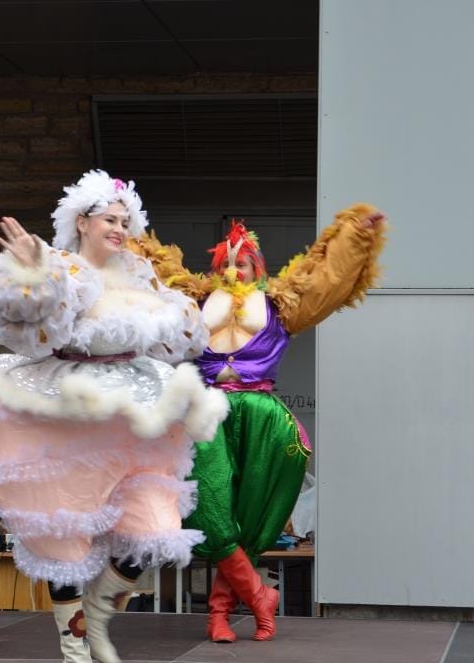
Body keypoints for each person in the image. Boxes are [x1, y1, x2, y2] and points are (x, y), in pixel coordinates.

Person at [0, 169, 228, 663]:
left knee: (155, 525)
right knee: (65, 531)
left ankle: (99, 614)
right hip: (70, 408)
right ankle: (75, 647)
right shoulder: (63, 268)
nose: (119, 229)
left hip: (130, 406)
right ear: (82, 222)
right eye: (109, 219)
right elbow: (22, 322)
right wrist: (33, 275)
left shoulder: (140, 273)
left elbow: (178, 337)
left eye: (125, 221)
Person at [132, 204, 386, 642]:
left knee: (249, 516)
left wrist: (355, 235)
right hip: (206, 411)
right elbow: (148, 274)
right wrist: (119, 223)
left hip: (261, 412)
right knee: (210, 507)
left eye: (242, 263)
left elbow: (325, 278)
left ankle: (218, 615)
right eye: (225, 263)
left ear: (257, 267)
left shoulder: (281, 303)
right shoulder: (191, 301)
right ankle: (258, 595)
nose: (233, 269)